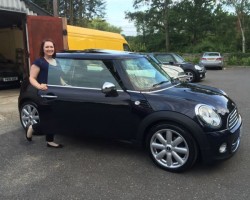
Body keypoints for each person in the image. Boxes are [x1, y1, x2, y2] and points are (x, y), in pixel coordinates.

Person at [26, 39, 63, 148]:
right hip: (45, 94)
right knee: (48, 119)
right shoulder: (39, 62)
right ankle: (32, 128)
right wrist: (39, 86)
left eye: (51, 47)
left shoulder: (57, 61)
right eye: (47, 47)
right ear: (43, 49)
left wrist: (65, 85)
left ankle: (50, 141)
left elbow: (59, 77)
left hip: (56, 93)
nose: (49, 49)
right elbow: (31, 78)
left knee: (55, 117)